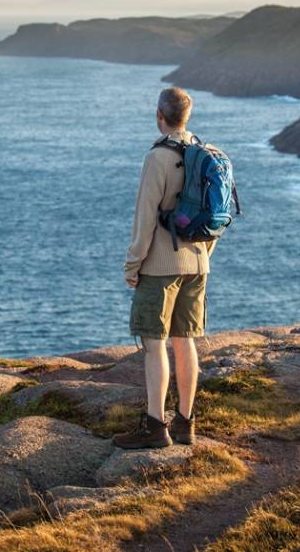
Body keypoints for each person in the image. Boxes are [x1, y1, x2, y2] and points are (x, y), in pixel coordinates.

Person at [113, 87, 216, 449]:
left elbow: (144, 219)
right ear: (187, 116)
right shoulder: (205, 152)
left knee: (154, 344)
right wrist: (203, 254)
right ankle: (186, 423)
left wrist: (133, 265)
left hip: (160, 266)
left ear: (160, 115)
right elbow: (216, 217)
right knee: (185, 341)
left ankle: (156, 427)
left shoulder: (157, 158)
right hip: (197, 263)